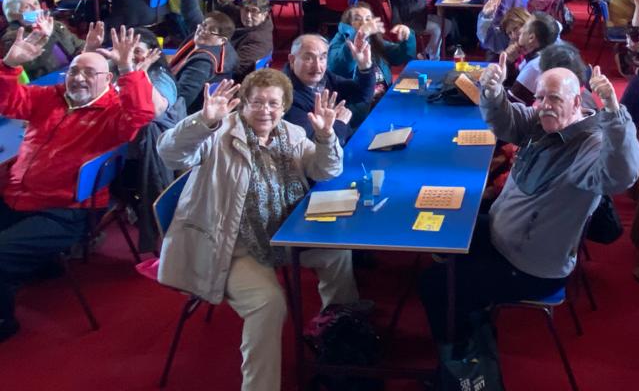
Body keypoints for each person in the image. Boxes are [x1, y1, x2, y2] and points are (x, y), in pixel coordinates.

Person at [157, 72, 358, 391]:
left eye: (274, 104)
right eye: (257, 103)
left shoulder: (290, 133)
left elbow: (325, 170)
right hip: (231, 244)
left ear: (285, 106)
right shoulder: (220, 134)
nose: (266, 110)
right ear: (242, 105)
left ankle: (339, 334)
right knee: (268, 303)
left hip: (282, 234)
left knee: (338, 252)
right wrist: (202, 121)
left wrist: (325, 137)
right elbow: (171, 153)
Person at [417, 60, 639, 344]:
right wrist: (493, 91)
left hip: (528, 266)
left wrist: (612, 111)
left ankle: (465, 353)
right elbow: (506, 120)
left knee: (433, 284)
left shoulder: (590, 145)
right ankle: (472, 310)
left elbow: (621, 174)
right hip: (502, 235)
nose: (544, 105)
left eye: (554, 98)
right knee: (446, 232)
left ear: (576, 101)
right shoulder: (542, 121)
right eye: (540, 97)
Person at [0, 25, 156, 341]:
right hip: (17, 196)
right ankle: (38, 265)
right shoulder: (50, 97)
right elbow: (7, 103)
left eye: (90, 73)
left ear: (109, 81)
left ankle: (4, 322)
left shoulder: (114, 112)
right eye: (74, 70)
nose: (79, 78)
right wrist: (9, 66)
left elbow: (141, 113)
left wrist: (129, 71)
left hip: (67, 210)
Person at [327, 3, 415, 124]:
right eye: (357, 19)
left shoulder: (374, 42)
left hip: (384, 101)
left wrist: (407, 36)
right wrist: (359, 35)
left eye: (368, 19)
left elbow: (399, 56)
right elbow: (339, 65)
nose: (364, 23)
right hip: (358, 110)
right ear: (348, 24)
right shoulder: (339, 42)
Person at [283, 34, 375, 144]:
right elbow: (315, 143)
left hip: (346, 140)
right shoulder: (285, 96)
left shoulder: (325, 77)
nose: (317, 67)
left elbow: (361, 95)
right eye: (308, 58)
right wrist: (340, 122)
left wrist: (365, 66)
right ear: (292, 60)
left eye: (322, 58)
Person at [0, 0, 104, 80]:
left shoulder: (56, 25)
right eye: (27, 7)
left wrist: (89, 47)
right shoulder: (12, 38)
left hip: (73, 72)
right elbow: (33, 65)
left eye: (36, 3)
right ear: (14, 14)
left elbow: (77, 44)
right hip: (47, 81)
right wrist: (46, 36)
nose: (35, 8)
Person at [170, 0, 239, 112]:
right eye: (203, 26)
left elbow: (182, 99)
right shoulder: (223, 47)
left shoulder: (203, 63)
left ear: (223, 40)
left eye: (211, 31)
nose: (203, 31)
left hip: (189, 113)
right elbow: (191, 15)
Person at [210, 0, 275, 79]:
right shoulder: (253, 21)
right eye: (246, 9)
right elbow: (226, 10)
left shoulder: (258, 40)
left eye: (254, 11)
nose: (248, 16)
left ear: (264, 14)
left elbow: (237, 69)